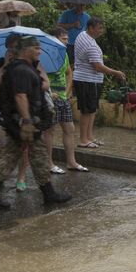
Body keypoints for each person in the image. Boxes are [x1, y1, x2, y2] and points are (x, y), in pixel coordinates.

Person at [0, 34, 73, 210]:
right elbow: (20, 96)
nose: (39, 51)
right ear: (25, 50)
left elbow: (39, 86)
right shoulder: (21, 70)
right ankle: (47, 193)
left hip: (22, 122)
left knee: (19, 156)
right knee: (29, 155)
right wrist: (27, 121)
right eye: (36, 48)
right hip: (23, 123)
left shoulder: (26, 67)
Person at [72, 17, 125, 149]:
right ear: (90, 28)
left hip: (89, 80)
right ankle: (83, 139)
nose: (101, 31)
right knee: (87, 110)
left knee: (92, 110)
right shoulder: (90, 44)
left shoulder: (82, 35)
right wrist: (115, 73)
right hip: (87, 80)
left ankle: (89, 137)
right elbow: (97, 66)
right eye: (99, 28)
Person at [48, 24, 88, 173]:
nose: (66, 42)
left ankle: (71, 162)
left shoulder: (64, 53)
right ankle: (49, 163)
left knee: (69, 128)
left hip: (62, 97)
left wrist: (68, 90)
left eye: (66, 39)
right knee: (49, 130)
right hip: (50, 97)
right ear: (54, 39)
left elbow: (69, 72)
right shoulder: (46, 54)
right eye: (63, 39)